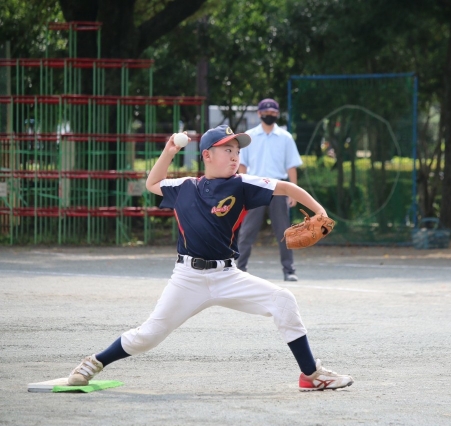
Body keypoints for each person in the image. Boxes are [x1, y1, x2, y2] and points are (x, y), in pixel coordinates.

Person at [66, 125, 353, 392]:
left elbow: (287, 188)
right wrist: (169, 151)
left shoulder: (242, 185)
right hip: (187, 278)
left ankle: (310, 375)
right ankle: (94, 362)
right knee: (148, 336)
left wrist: (320, 211)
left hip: (227, 276)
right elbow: (153, 183)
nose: (235, 156)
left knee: (283, 300)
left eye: (237, 150)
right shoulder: (185, 187)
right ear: (207, 155)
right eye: (227, 149)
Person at [237, 98, 303, 282]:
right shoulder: (249, 136)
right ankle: (239, 270)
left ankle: (289, 270)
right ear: (259, 114)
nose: (269, 115)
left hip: (278, 188)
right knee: (247, 231)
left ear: (277, 114)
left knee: (284, 231)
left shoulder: (285, 137)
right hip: (255, 187)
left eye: (273, 113)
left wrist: (294, 192)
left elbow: (291, 166)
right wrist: (242, 188)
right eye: (266, 112)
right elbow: (242, 165)